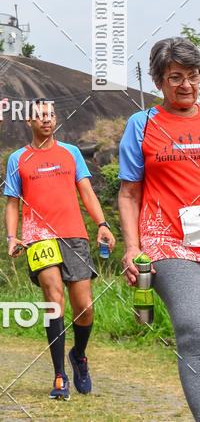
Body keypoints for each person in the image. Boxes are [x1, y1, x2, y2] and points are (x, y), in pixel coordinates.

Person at [4, 99, 115, 400]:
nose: (46, 120)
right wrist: (12, 237)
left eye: (50, 115)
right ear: (29, 121)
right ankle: (59, 377)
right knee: (54, 300)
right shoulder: (18, 158)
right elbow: (13, 201)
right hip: (38, 238)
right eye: (40, 116)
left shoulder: (71, 153)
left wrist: (102, 223)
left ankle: (78, 355)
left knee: (85, 306)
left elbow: (87, 192)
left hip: (75, 237)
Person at [119, 37, 200, 420]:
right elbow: (129, 194)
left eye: (193, 76)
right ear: (158, 82)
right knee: (192, 326)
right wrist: (132, 247)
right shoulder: (142, 125)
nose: (186, 85)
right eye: (176, 77)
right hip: (165, 239)